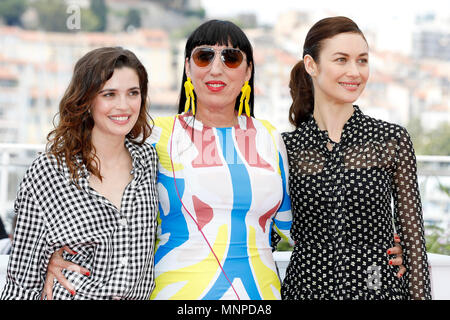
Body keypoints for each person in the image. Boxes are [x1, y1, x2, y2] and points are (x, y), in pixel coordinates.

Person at [43, 20, 405, 300]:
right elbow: (98, 200)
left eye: (231, 58)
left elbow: (304, 227)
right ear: (188, 66)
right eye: (204, 56)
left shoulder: (270, 138)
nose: (216, 69)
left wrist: (384, 245)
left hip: (260, 294)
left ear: (247, 72)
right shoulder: (155, 136)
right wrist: (54, 254)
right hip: (178, 294)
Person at [281, 16, 431, 300]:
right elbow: (263, 230)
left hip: (377, 290)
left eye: (362, 60)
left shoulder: (390, 140)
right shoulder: (287, 147)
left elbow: (414, 244)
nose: (355, 71)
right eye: (341, 60)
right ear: (312, 65)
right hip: (305, 292)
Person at [0, 47, 158, 300]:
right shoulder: (48, 172)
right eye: (109, 94)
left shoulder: (149, 162)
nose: (124, 105)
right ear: (86, 101)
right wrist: (46, 260)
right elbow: (22, 279)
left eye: (133, 93)